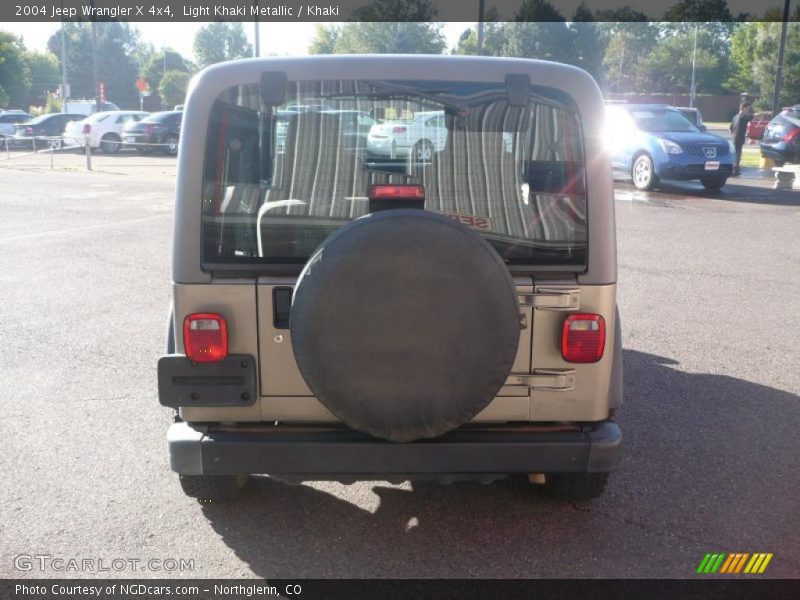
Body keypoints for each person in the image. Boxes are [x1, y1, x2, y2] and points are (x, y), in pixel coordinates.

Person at [730, 102, 754, 176]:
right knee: (738, 154)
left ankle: (733, 169)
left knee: (734, 154)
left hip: (734, 137)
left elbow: (730, 128)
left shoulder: (735, 116)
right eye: (748, 108)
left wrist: (733, 135)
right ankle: (735, 171)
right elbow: (754, 116)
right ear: (743, 108)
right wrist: (766, 113)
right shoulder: (744, 115)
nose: (748, 110)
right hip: (739, 137)